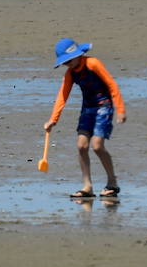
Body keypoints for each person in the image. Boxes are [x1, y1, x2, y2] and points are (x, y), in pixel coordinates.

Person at [44, 38, 126, 199]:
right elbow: (62, 95)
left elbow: (112, 85)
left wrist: (120, 109)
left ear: (78, 55)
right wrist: (53, 120)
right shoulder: (70, 74)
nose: (66, 64)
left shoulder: (93, 63)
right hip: (87, 109)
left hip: (104, 107)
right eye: (64, 62)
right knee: (81, 146)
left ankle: (112, 182)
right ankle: (87, 185)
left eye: (68, 60)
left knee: (97, 146)